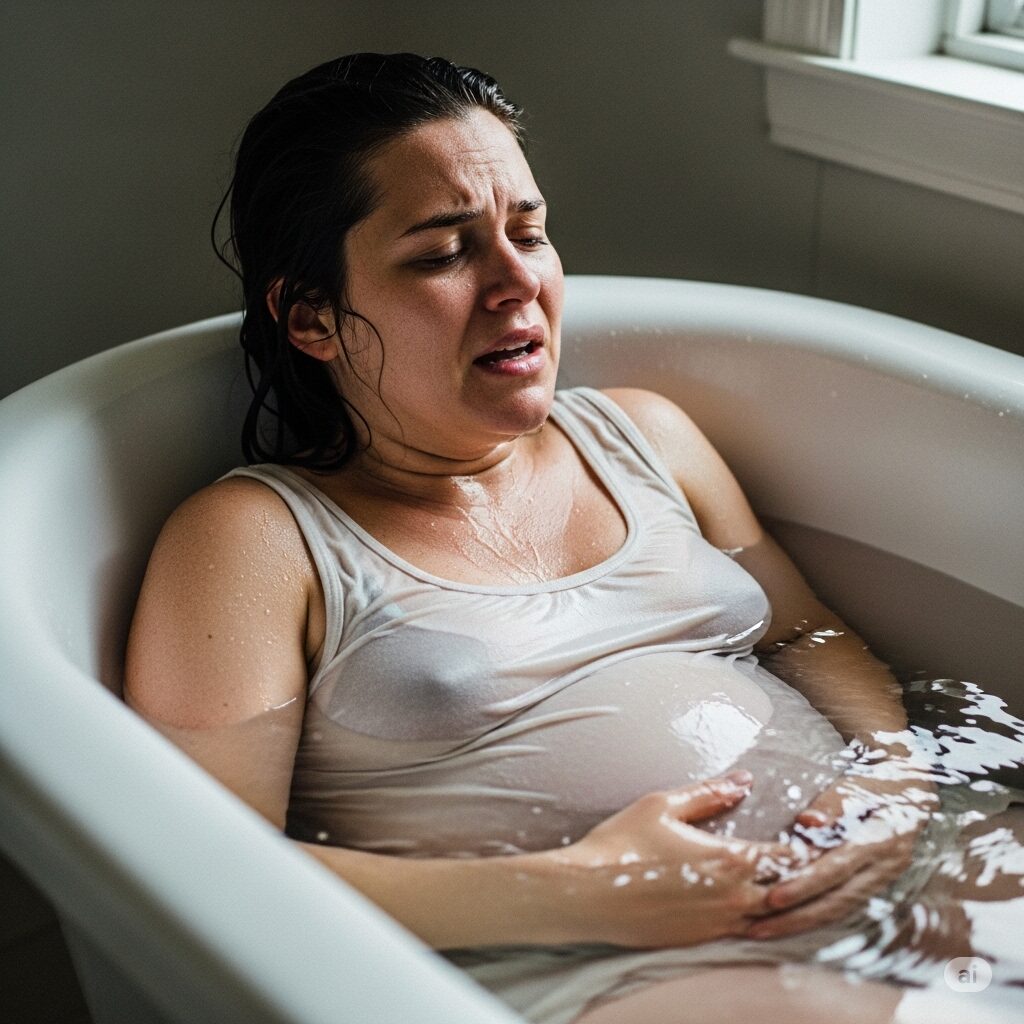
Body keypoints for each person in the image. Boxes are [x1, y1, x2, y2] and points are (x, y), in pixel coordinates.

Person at [124, 53, 1024, 1024]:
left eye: (529, 233)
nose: (517, 282)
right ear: (312, 317)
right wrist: (589, 888)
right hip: (607, 968)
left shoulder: (646, 435)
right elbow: (206, 870)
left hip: (886, 868)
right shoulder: (258, 539)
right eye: (441, 253)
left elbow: (804, 634)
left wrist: (892, 777)